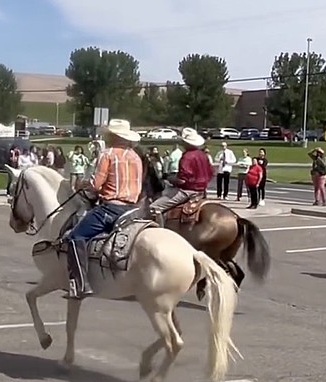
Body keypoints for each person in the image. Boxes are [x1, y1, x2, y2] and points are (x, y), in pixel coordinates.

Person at [65, 119, 144, 299]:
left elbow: (96, 185)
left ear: (113, 136)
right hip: (133, 208)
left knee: (75, 236)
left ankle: (80, 283)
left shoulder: (107, 154)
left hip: (111, 208)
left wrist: (84, 183)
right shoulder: (135, 157)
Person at [148, 128, 214, 225]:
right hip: (202, 191)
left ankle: (160, 231)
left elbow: (182, 180)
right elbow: (211, 173)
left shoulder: (187, 156)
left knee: (154, 207)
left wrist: (170, 179)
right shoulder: (203, 155)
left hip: (187, 191)